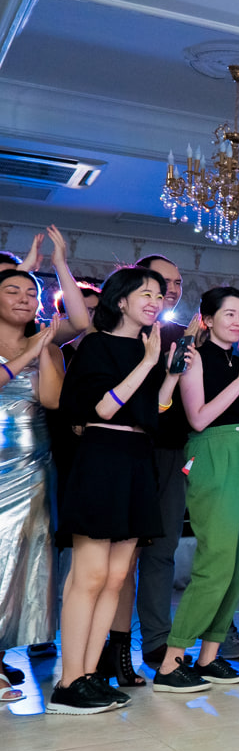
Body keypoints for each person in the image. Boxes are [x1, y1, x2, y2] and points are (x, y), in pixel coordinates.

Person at [51, 266, 180, 713]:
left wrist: (169, 375)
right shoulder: (97, 345)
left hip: (138, 459)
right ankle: (68, 682)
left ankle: (88, 674)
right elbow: (103, 408)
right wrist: (147, 363)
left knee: (117, 577)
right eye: (145, 293)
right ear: (120, 300)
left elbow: (154, 411)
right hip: (102, 457)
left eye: (159, 295)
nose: (155, 301)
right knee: (88, 576)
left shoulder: (150, 348)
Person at [153, 288, 239, 694]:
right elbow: (199, 418)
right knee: (216, 559)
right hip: (211, 451)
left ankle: (209, 656)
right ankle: (171, 662)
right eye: (229, 314)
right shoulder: (194, 357)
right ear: (207, 318)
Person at [130, 254, 199, 672]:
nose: (170, 290)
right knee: (117, 554)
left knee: (162, 549)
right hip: (126, 451)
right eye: (161, 282)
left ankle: (156, 639)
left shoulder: (183, 336)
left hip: (172, 452)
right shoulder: (119, 333)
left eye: (176, 283)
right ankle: (109, 640)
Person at [0, 268, 64, 700]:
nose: (24, 298)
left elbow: (52, 400)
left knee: (19, 560)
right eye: (12, 290)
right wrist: (29, 353)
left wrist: (44, 351)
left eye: (31, 293)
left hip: (33, 467)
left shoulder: (47, 346)